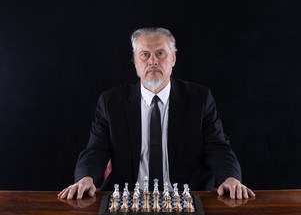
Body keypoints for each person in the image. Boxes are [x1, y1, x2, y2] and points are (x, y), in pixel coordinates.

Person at [58, 27, 255, 200]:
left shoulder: (199, 99)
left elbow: (218, 147)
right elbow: (96, 149)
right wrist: (86, 178)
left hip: (185, 201)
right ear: (135, 63)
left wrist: (230, 178)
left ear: (173, 59)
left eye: (160, 53)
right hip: (129, 201)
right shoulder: (111, 102)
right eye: (144, 54)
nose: (153, 61)